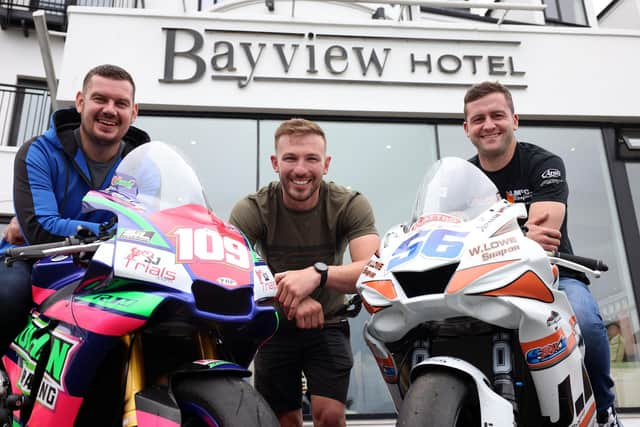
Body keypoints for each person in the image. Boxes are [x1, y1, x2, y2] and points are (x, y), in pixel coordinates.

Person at [463, 81, 620, 427]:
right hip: (485, 278)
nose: (488, 124)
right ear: (467, 129)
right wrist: (517, 232)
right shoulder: (463, 178)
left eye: (497, 115)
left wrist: (480, 235)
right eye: (478, 119)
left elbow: (544, 236)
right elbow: (451, 233)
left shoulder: (544, 163)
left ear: (514, 120)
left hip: (551, 274)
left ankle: (605, 410)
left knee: (588, 324)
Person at [229, 118, 379, 427]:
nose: (301, 169)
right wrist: (294, 301)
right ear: (275, 162)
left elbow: (372, 271)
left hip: (329, 323)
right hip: (274, 324)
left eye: (311, 159)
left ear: (326, 164)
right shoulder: (253, 208)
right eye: (290, 158)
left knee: (331, 416)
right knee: (283, 420)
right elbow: (230, 269)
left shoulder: (350, 204)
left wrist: (317, 274)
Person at [0, 64, 150, 355]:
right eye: (100, 99)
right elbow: (40, 230)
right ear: (80, 102)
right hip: (32, 260)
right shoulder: (38, 152)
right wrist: (120, 231)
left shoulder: (146, 167)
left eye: (121, 103)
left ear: (134, 112)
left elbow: (158, 223)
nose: (110, 109)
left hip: (113, 265)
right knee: (6, 295)